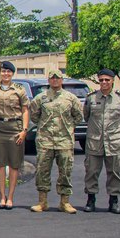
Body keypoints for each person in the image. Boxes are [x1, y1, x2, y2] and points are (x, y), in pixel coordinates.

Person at [29, 69, 84, 214]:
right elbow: (34, 116)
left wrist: (67, 126)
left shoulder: (70, 98)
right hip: (45, 140)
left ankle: (64, 202)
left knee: (65, 171)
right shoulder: (40, 98)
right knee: (42, 171)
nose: (55, 80)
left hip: (64, 140)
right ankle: (42, 202)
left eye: (57, 78)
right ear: (48, 80)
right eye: (52, 78)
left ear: (62, 80)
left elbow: (78, 116)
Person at [82, 68, 120, 214]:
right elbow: (86, 116)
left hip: (113, 142)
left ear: (112, 81)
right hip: (94, 142)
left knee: (114, 173)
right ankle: (91, 200)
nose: (104, 82)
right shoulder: (91, 98)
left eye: (107, 80)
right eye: (101, 79)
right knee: (91, 172)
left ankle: (113, 201)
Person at [0, 61, 29, 210]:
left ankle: (10, 197)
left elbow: (25, 110)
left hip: (14, 128)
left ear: (12, 73)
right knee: (0, 164)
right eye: (3, 71)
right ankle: (1, 197)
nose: (5, 74)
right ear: (0, 72)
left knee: (14, 164)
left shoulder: (19, 90)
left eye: (8, 72)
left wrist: (24, 130)